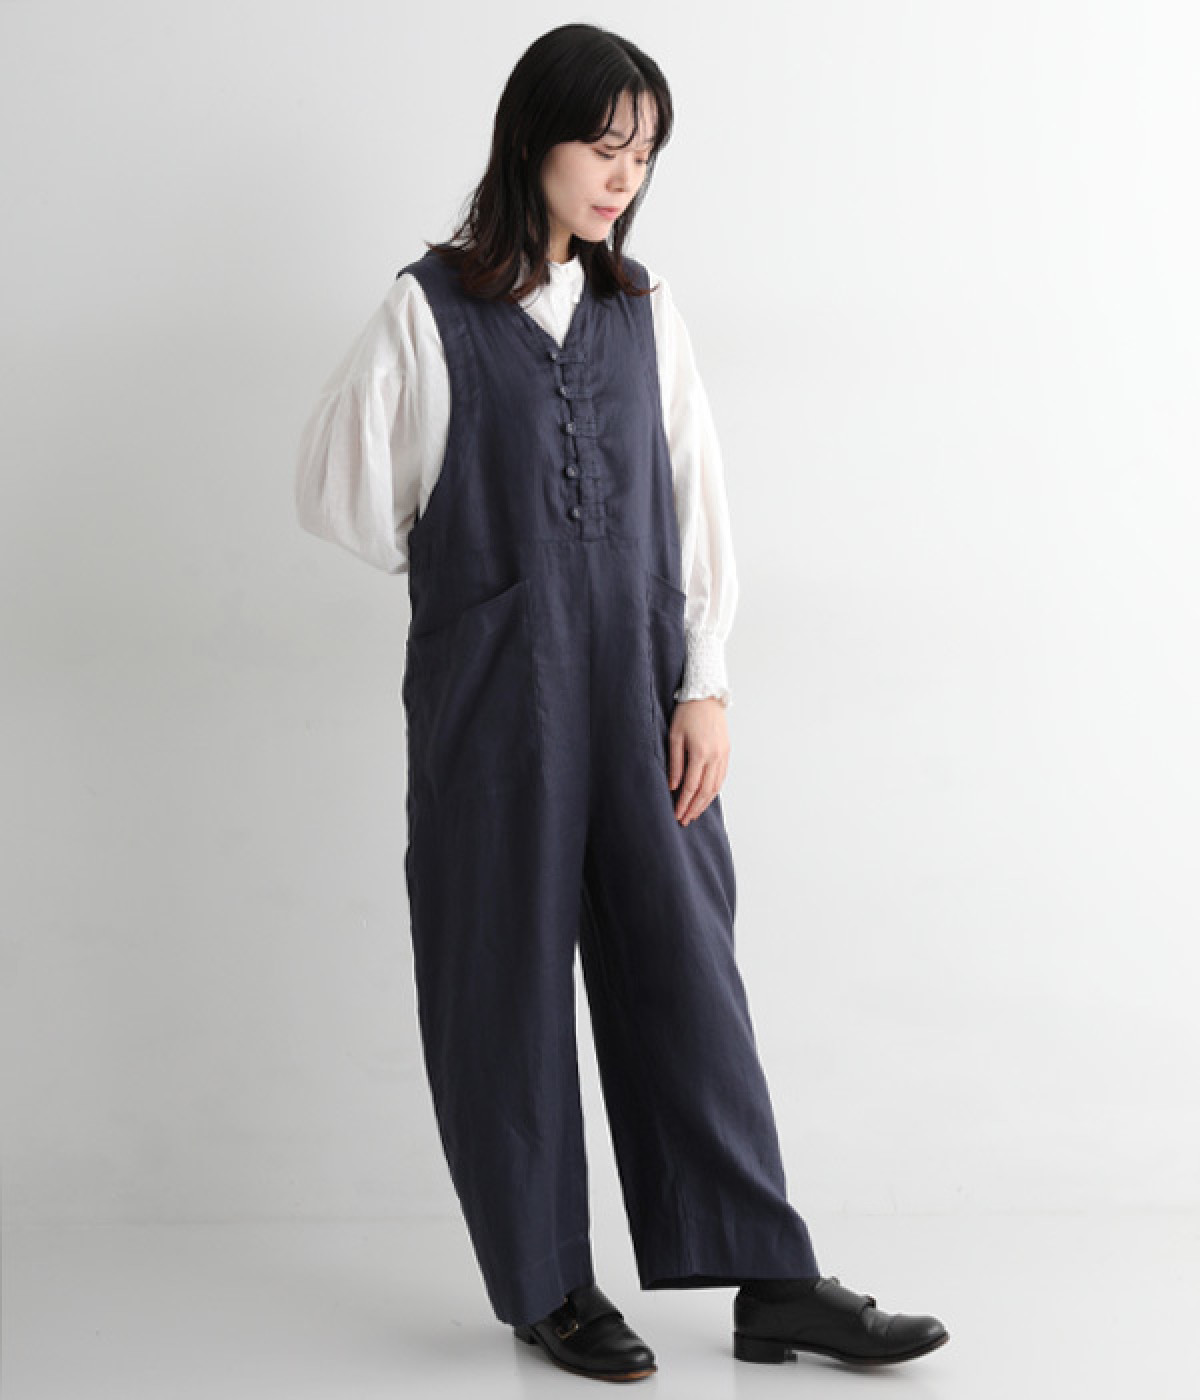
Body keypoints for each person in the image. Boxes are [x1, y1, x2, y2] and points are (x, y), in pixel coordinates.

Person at [294, 22, 949, 1383]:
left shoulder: (647, 314)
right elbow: (338, 492)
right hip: (495, 703)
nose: (622, 178)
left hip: (646, 696)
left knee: (686, 972)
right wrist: (474, 562)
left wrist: (704, 683)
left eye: (643, 155)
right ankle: (549, 1288)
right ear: (530, 140)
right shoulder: (428, 311)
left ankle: (773, 1281)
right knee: (503, 980)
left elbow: (700, 508)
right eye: (603, 146)